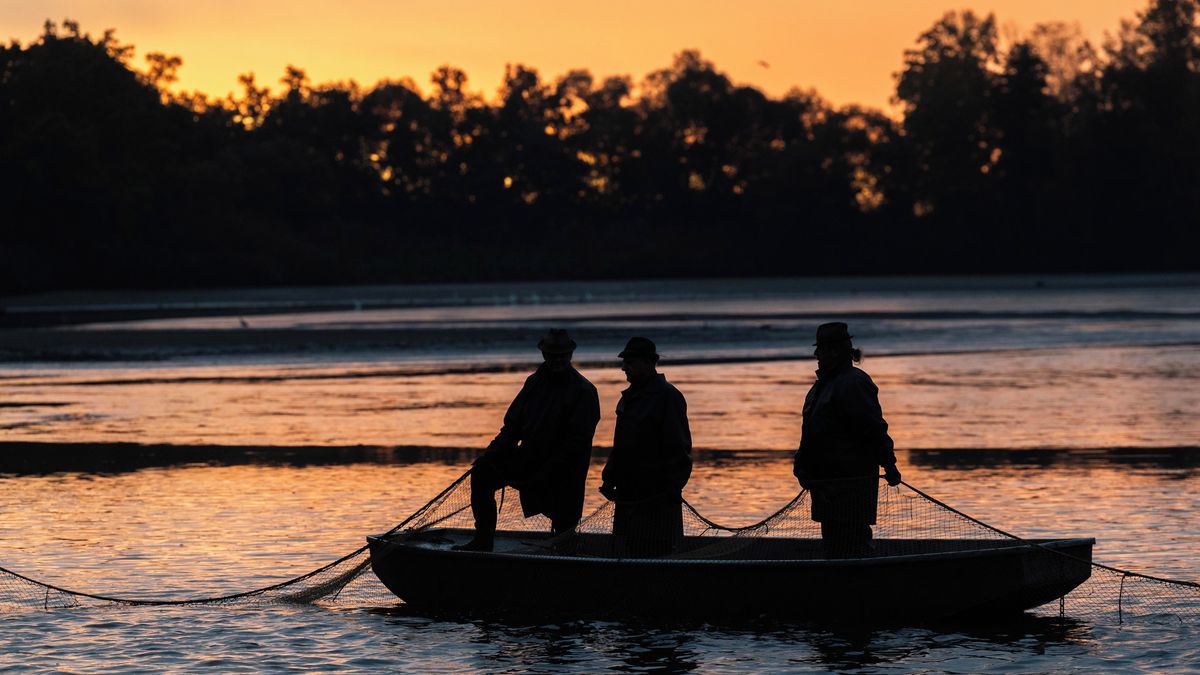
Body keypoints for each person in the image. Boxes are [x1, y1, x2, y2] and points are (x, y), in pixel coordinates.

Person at [454, 329, 601, 552]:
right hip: (529, 459)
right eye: (552, 355)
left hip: (565, 471)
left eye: (562, 355)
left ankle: (564, 554)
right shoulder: (533, 383)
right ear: (544, 355)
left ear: (570, 355)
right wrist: (490, 455)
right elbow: (511, 429)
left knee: (564, 533)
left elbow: (576, 445)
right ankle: (483, 540)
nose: (557, 360)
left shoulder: (584, 390)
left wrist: (546, 472)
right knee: (482, 473)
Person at [793, 322, 902, 556]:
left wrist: (889, 464)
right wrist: (800, 465)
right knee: (834, 544)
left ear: (835, 351)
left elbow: (873, 428)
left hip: (851, 486)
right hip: (826, 486)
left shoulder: (853, 383)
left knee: (853, 543)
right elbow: (810, 434)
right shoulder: (821, 387)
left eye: (820, 350)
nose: (816, 356)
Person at [600, 337, 693, 556]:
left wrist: (673, 488)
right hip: (628, 495)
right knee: (632, 550)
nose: (624, 368)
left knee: (657, 552)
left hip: (657, 498)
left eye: (630, 362)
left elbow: (680, 448)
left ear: (648, 363)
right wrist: (609, 476)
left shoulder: (668, 397)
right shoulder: (628, 398)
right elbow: (621, 445)